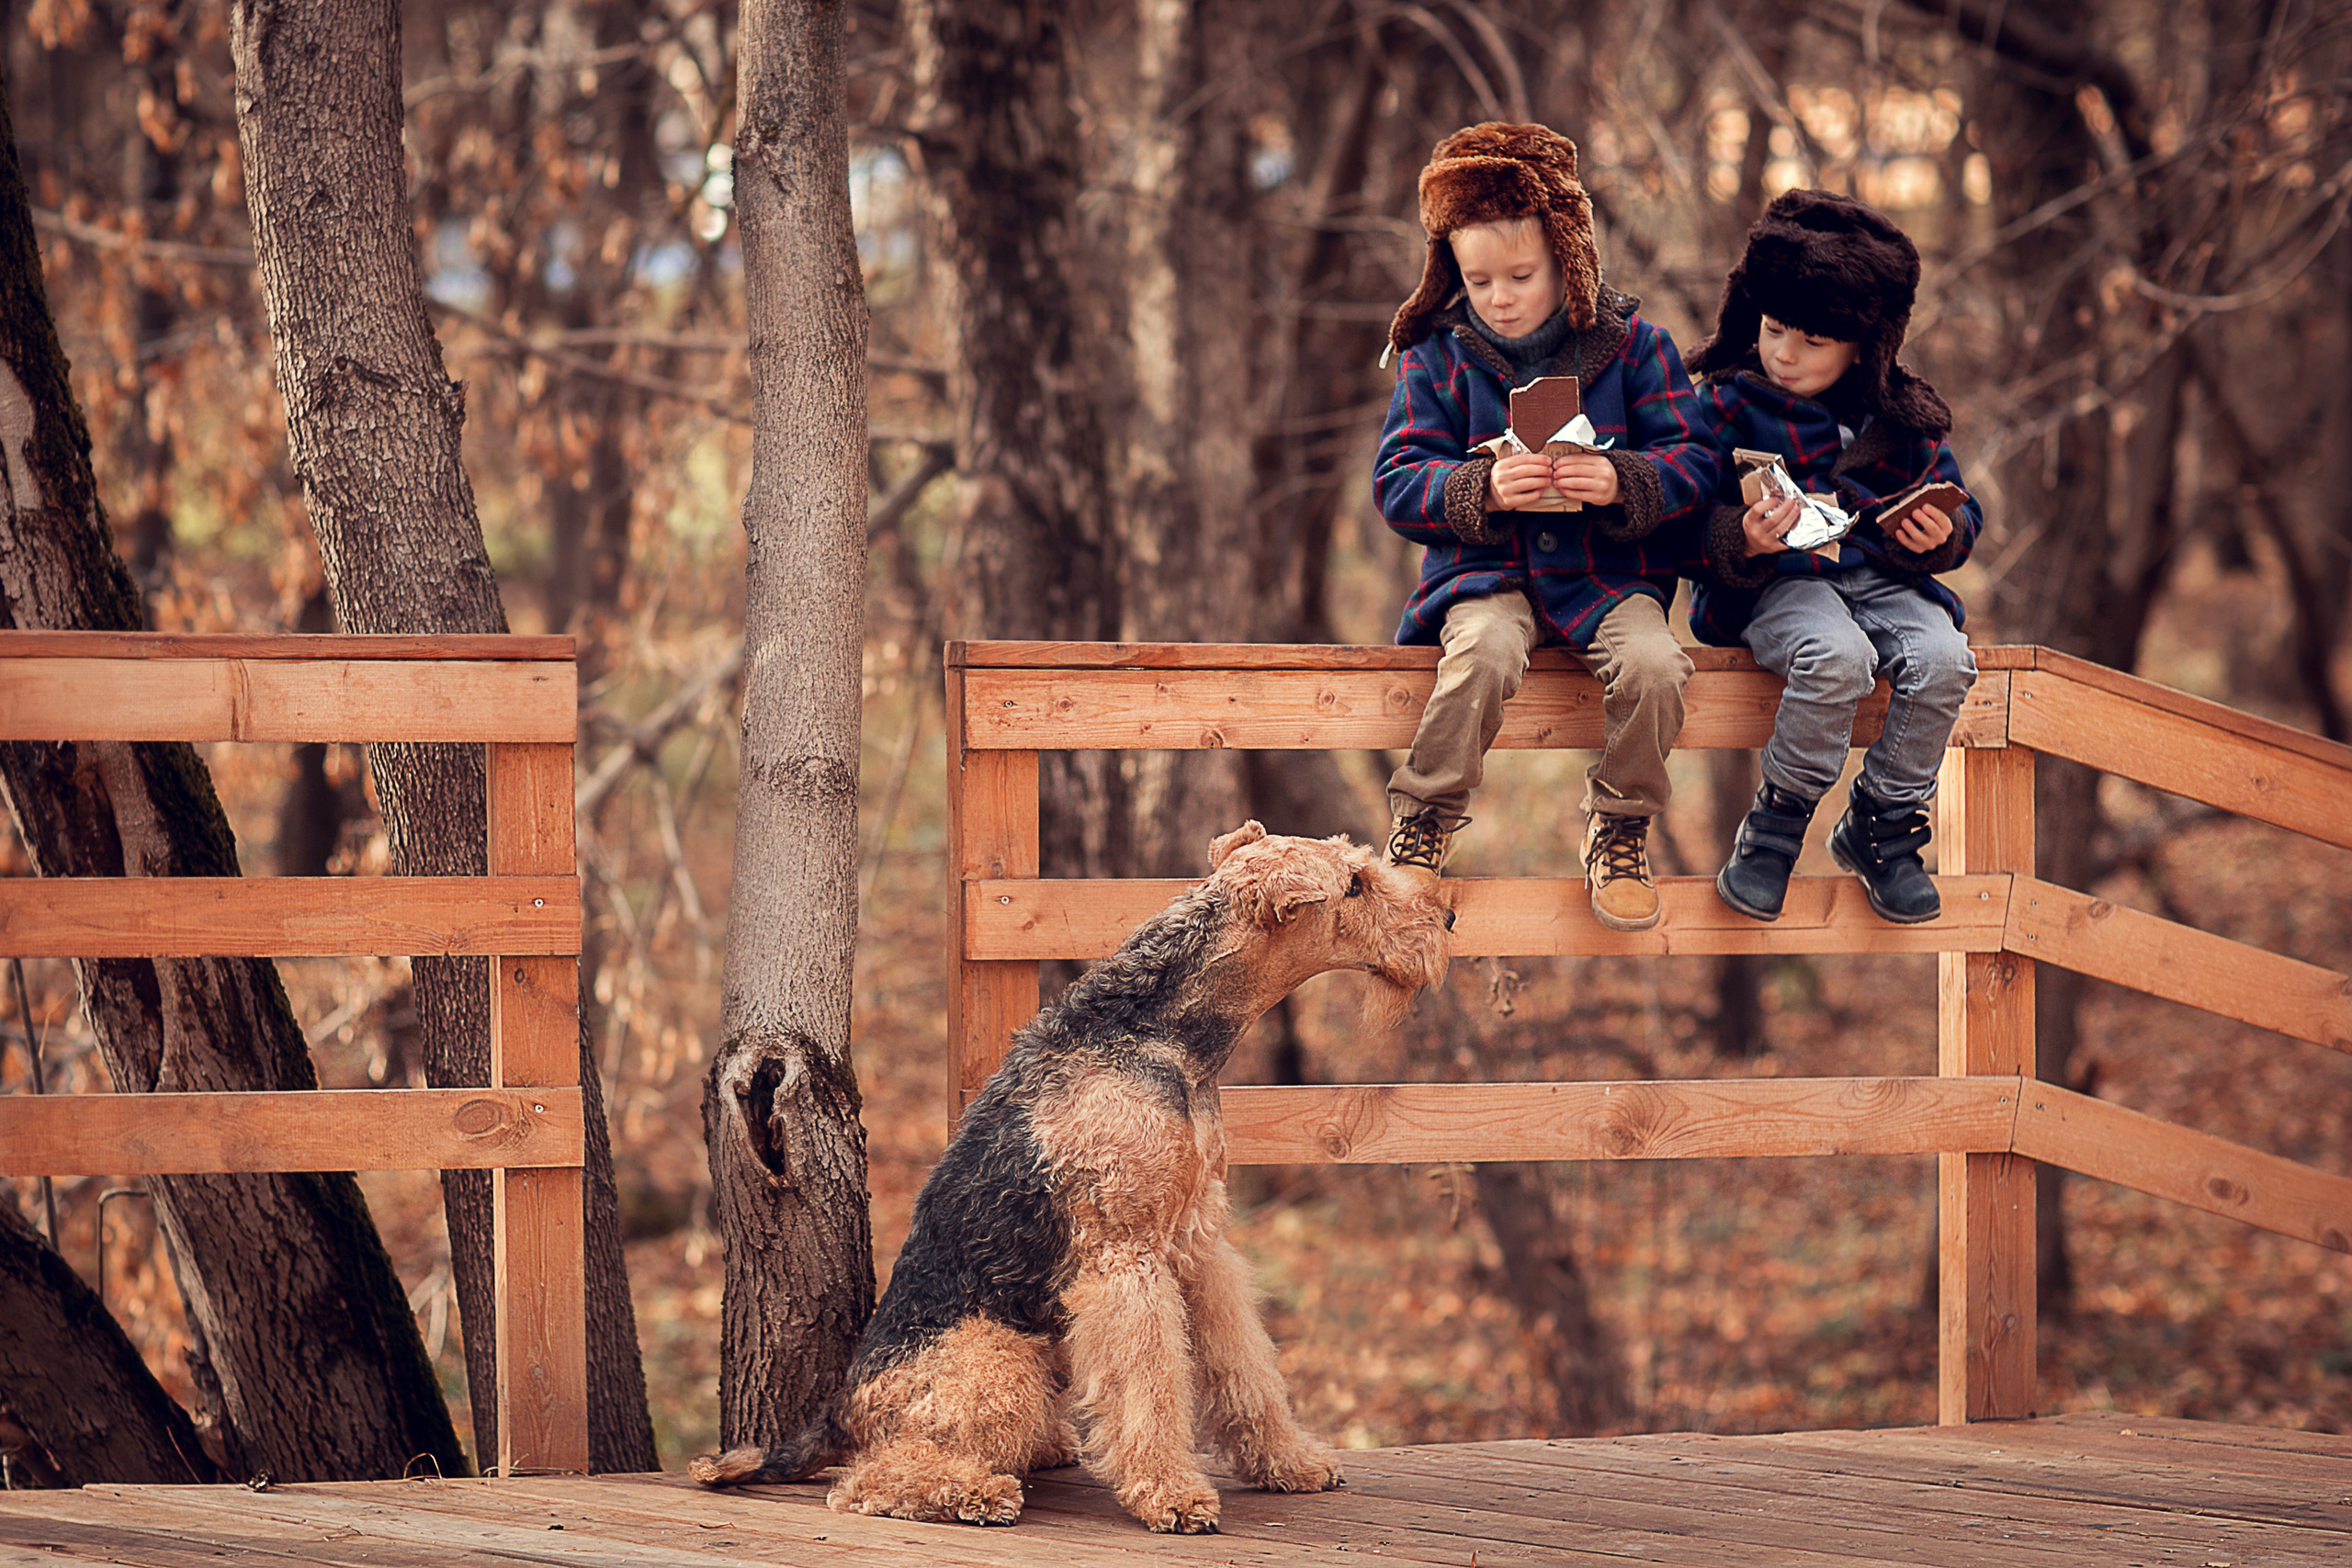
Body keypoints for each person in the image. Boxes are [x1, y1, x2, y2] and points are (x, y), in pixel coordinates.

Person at [1374, 122, 1717, 932]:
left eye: (1521, 275)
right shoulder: (1437, 356)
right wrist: (1479, 487)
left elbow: (1696, 462)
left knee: (1658, 664)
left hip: (1608, 579)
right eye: (1478, 278)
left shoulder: (1635, 347)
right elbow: (1395, 482)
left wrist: (1625, 476)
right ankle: (1425, 814)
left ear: (1568, 256)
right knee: (1484, 651)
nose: (1498, 296)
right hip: (1485, 581)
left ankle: (1621, 823)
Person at [1684, 189, 1980, 925]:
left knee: (1946, 659)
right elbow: (1680, 514)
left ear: (1862, 344)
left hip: (1883, 580)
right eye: (1775, 327)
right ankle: (1776, 826)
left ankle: (1882, 822)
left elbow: (1960, 501)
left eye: (1811, 342)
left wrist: (1940, 537)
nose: (1784, 352)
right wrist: (1741, 535)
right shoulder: (1723, 404)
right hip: (1782, 586)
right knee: (1836, 657)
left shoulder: (1901, 414)